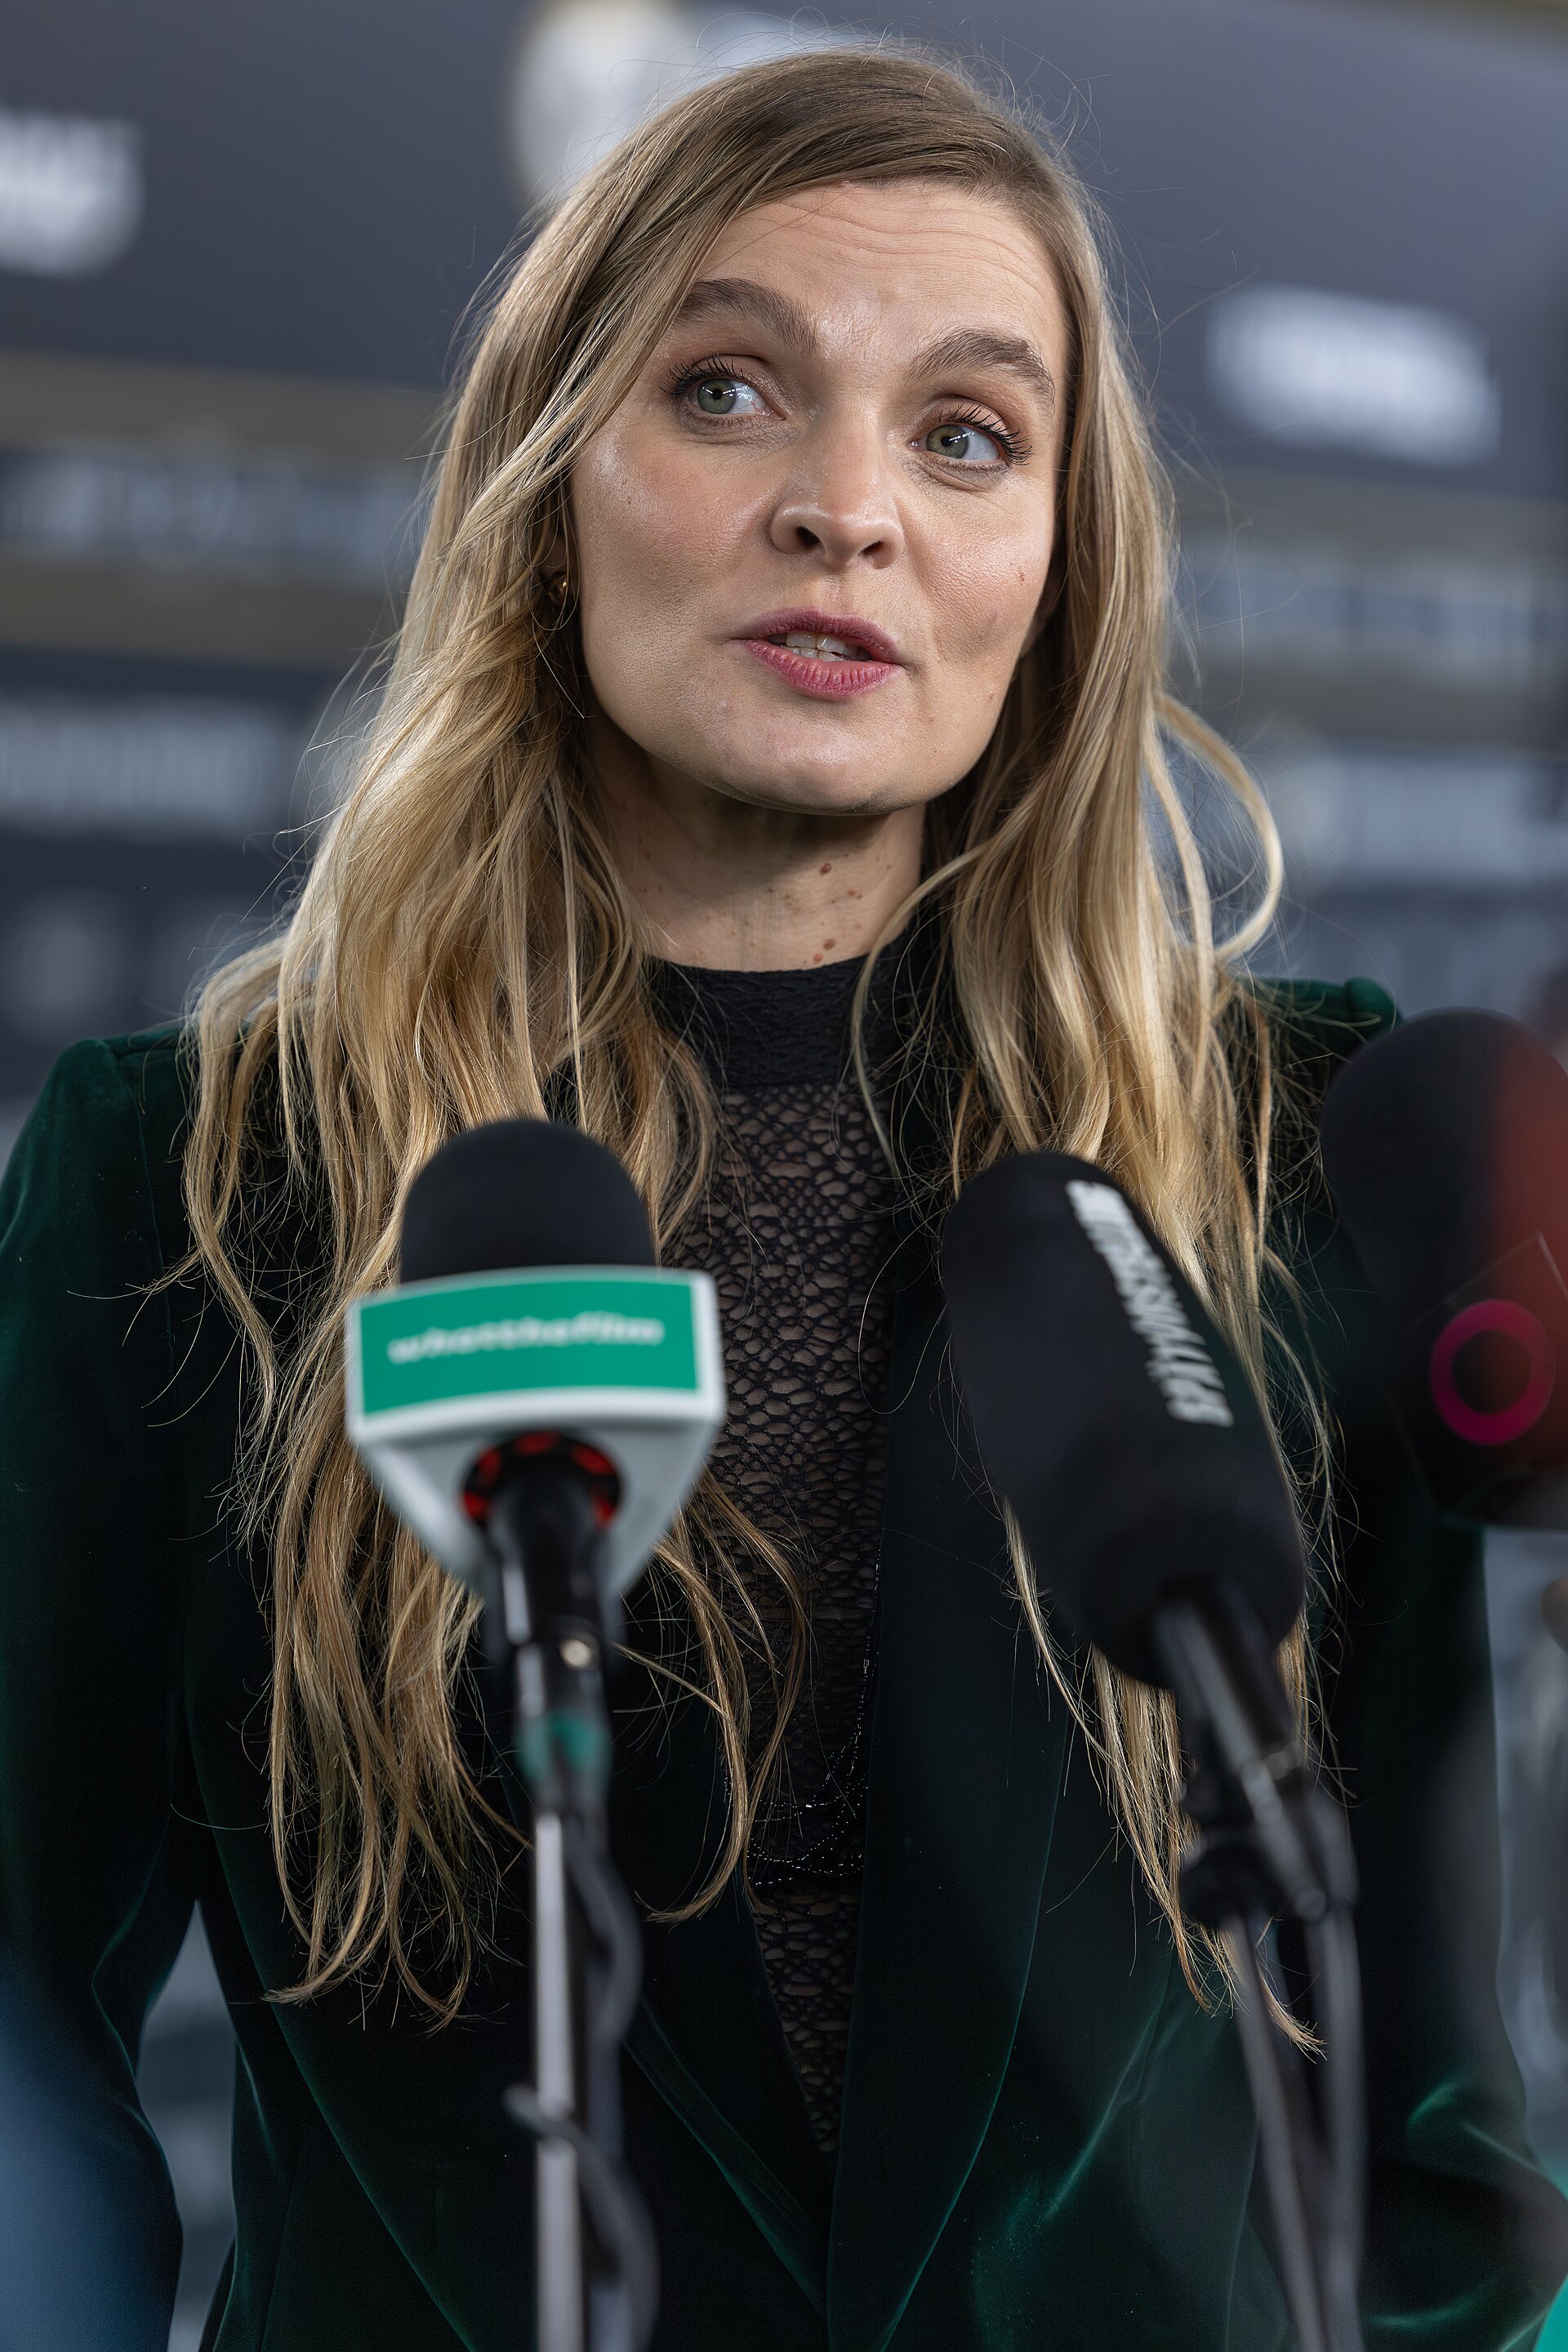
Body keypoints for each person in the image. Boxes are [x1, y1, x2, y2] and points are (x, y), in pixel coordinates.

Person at [0, 49, 1561, 2350]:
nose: (849, 511)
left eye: (967, 435)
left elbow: (1431, 2124)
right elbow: (22, 2033)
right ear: (548, 484)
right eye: (728, 390)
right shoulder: (191, 1177)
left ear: (1061, 562)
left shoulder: (1294, 1155)